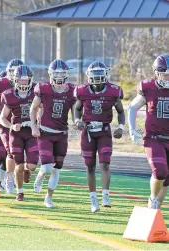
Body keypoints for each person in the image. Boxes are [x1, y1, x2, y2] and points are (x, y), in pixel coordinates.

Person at [73, 61, 125, 213]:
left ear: (106, 75)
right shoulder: (82, 91)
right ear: (89, 76)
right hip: (88, 132)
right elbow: (76, 108)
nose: (97, 78)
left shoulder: (113, 91)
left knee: (105, 164)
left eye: (99, 75)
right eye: (94, 75)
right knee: (90, 167)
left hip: (104, 131)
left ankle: (105, 196)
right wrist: (77, 120)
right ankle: (93, 199)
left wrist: (121, 127)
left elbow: (121, 111)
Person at [30, 59, 76, 208]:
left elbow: (76, 111)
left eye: (62, 73)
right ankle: (40, 175)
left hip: (62, 133)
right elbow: (33, 108)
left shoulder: (71, 91)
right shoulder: (43, 89)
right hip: (45, 132)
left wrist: (77, 122)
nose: (59, 76)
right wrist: (33, 126)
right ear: (50, 74)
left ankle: (48, 198)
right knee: (47, 167)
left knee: (56, 169)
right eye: (56, 73)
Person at [128, 54, 169, 209]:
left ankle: (155, 209)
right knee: (160, 172)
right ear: (157, 73)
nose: (168, 78)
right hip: (154, 137)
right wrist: (132, 129)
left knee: (167, 179)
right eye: (165, 75)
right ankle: (152, 199)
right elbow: (132, 107)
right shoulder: (148, 87)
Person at [0, 65, 38, 201]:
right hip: (17, 134)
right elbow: (2, 118)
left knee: (32, 166)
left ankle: (27, 169)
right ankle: (20, 192)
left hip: (31, 132)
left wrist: (38, 123)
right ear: (15, 80)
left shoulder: (35, 92)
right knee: (18, 165)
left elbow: (44, 109)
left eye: (26, 80)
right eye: (21, 80)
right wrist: (11, 126)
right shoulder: (9, 95)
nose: (23, 82)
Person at [0, 58, 25, 194]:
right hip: (3, 123)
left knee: (14, 153)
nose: (15, 74)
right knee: (3, 153)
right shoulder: (1, 84)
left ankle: (4, 179)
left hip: (19, 123)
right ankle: (0, 177)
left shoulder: (28, 84)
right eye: (12, 71)